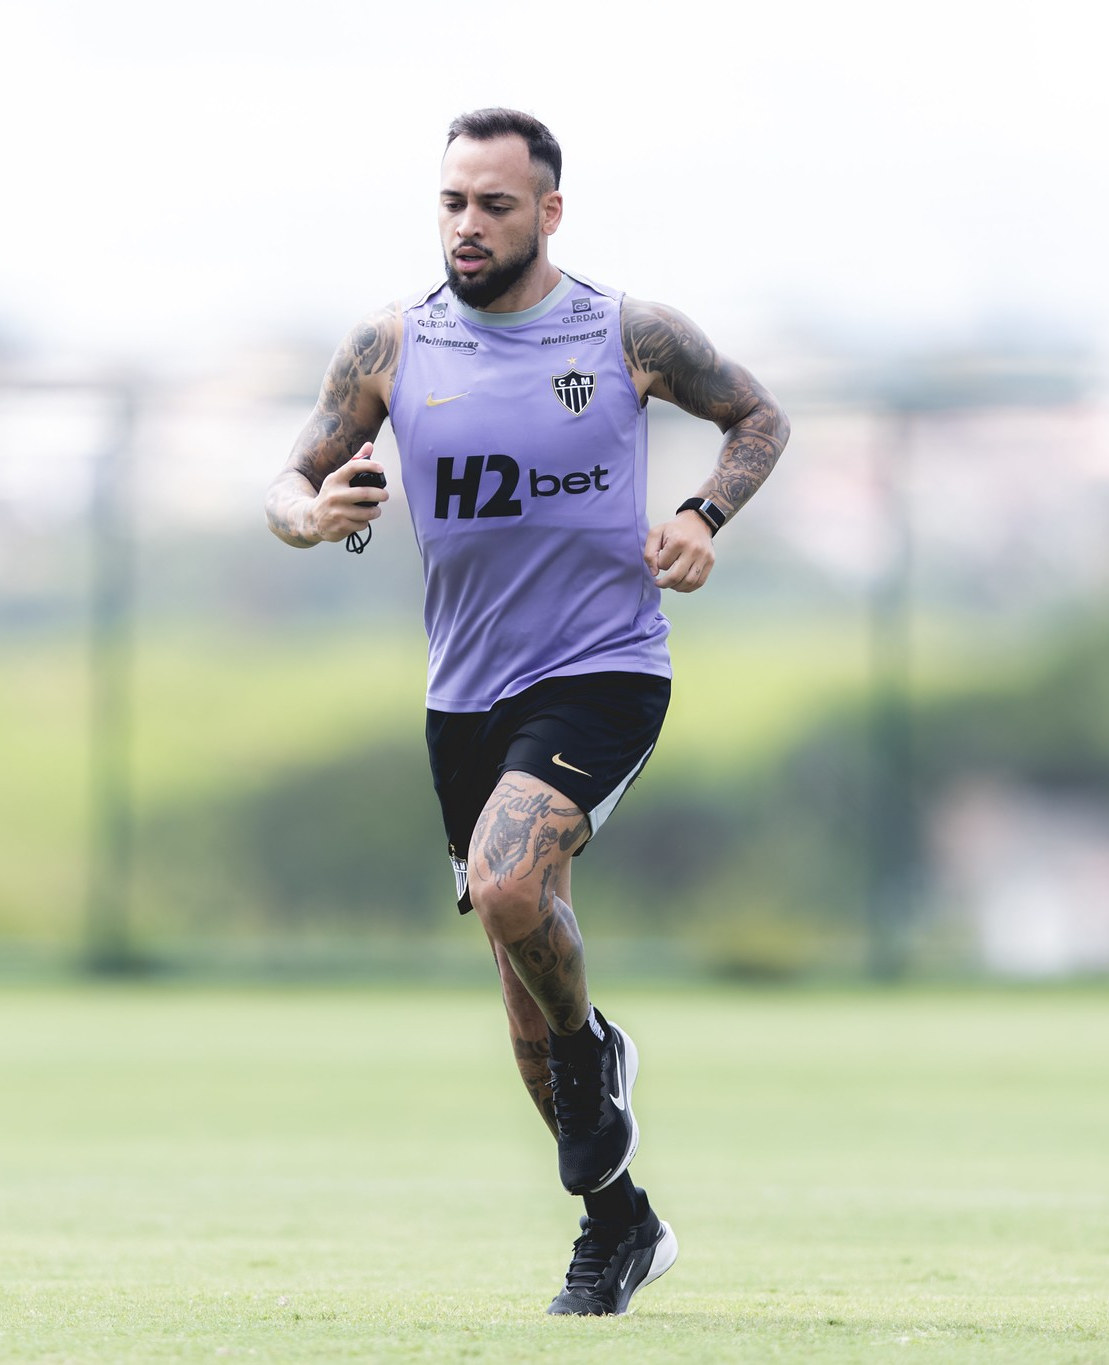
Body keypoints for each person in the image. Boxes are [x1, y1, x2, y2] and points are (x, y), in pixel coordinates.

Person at [264, 107, 791, 1316]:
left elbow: (755, 418)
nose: (467, 224)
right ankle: (618, 1225)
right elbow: (287, 484)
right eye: (452, 201)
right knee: (519, 1000)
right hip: (464, 698)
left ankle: (592, 1051)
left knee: (510, 887)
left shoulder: (626, 333)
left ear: (548, 212)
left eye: (494, 204)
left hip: (603, 666)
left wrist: (703, 517)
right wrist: (313, 514)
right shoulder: (391, 346)